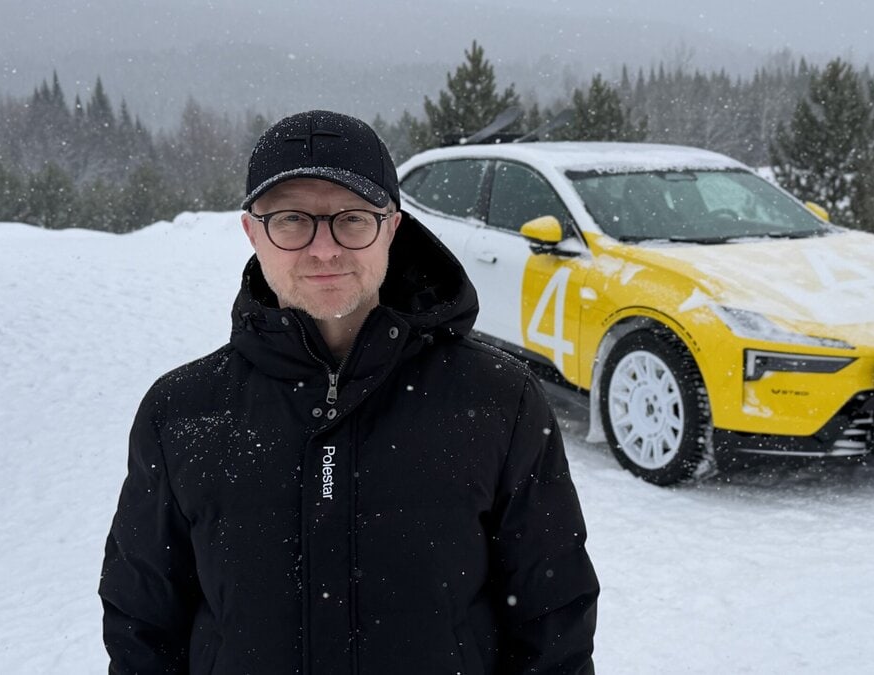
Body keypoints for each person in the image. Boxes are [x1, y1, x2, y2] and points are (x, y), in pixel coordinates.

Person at [99, 110, 599, 674]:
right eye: (291, 220)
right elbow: (141, 623)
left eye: (352, 219)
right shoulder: (181, 412)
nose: (324, 249)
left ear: (391, 227)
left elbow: (553, 618)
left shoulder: (498, 399)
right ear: (251, 231)